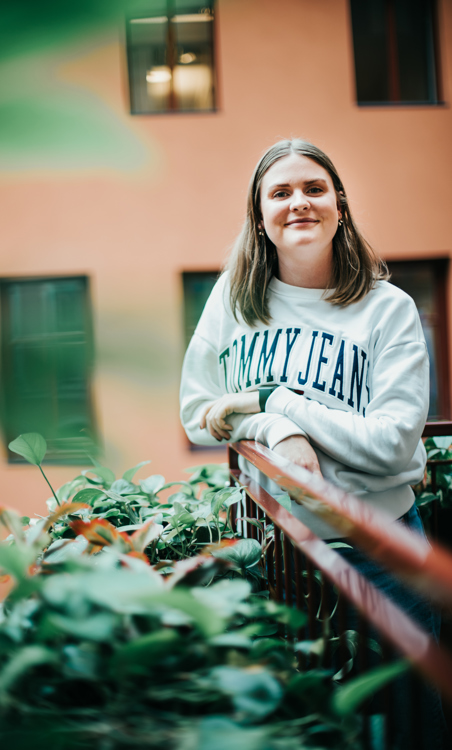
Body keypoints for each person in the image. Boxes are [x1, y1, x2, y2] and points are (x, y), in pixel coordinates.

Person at [179, 139, 445, 748]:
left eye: (314, 189)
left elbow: (391, 444)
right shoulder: (232, 302)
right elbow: (198, 412)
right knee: (317, 729)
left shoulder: (389, 310)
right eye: (280, 193)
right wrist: (277, 429)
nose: (299, 202)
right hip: (283, 556)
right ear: (260, 217)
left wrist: (275, 399)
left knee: (409, 726)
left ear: (340, 207)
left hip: (385, 555)